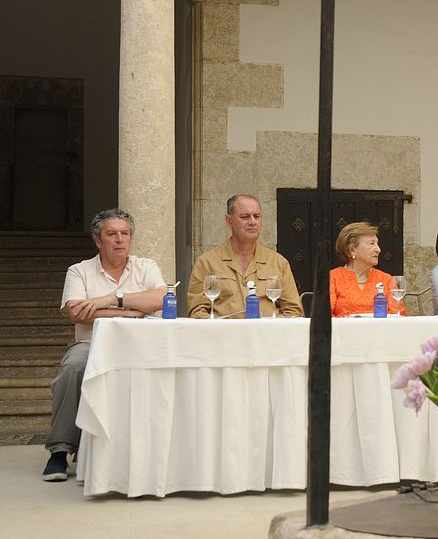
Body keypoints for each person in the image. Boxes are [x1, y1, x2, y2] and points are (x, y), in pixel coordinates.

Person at [42, 209, 167, 482]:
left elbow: (160, 299)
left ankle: (158, 450)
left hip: (141, 343)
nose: (120, 240)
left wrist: (107, 300)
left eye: (125, 234)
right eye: (112, 234)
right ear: (98, 241)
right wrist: (133, 310)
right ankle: (60, 451)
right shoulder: (79, 271)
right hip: (92, 342)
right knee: (73, 368)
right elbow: (76, 312)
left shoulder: (146, 267)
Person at [187, 194, 302, 318]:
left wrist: (270, 329)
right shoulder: (206, 262)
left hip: (266, 336)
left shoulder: (278, 262)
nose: (252, 222)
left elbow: (293, 311)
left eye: (256, 216)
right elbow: (196, 311)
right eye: (245, 217)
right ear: (229, 221)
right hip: (224, 336)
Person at [330, 222, 406, 317]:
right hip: (344, 331)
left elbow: (399, 316)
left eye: (377, 244)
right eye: (371, 244)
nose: (378, 249)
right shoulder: (333, 277)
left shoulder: (386, 279)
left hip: (380, 331)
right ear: (353, 250)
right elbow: (323, 317)